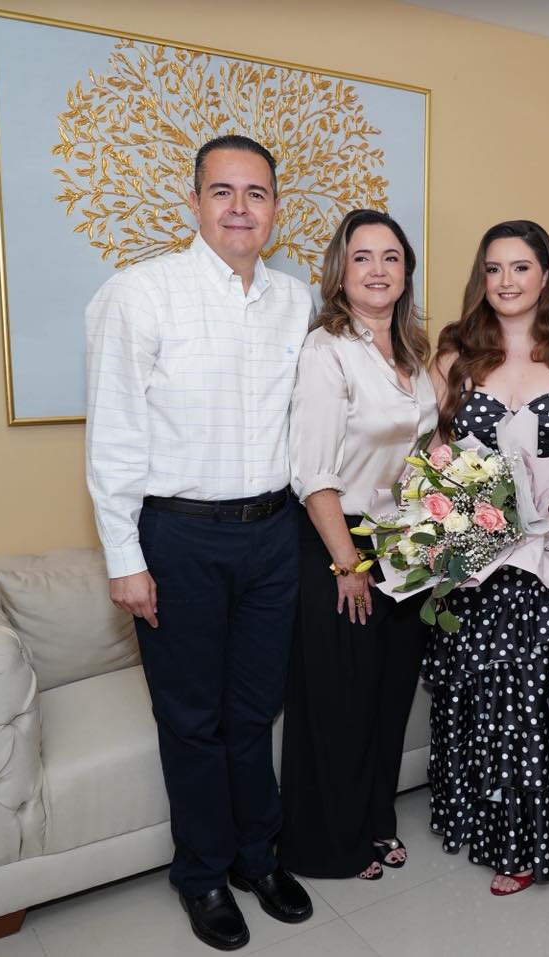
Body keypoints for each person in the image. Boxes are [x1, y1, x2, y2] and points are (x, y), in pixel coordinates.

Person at [84, 134, 315, 952]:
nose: (240, 208)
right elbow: (114, 434)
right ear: (194, 203)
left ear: (276, 208)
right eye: (223, 191)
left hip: (274, 535)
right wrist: (125, 557)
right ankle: (203, 874)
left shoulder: (296, 301)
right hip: (179, 536)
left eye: (256, 193)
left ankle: (258, 856)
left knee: (254, 711)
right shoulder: (140, 294)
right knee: (192, 719)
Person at [425, 219, 549, 896]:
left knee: (532, 705)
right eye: (493, 268)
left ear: (545, 276)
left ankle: (525, 842)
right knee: (478, 697)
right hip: (475, 560)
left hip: (548, 563)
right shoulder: (455, 356)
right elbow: (433, 450)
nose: (505, 281)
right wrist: (442, 510)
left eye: (520, 267)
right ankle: (474, 816)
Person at [279, 209, 436, 881]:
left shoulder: (414, 353)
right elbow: (313, 472)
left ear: (406, 272)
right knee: (339, 702)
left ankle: (376, 821)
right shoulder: (326, 350)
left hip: (405, 543)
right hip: (340, 541)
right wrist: (347, 563)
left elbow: (423, 450)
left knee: (388, 697)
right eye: (362, 257)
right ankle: (327, 844)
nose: (377, 270)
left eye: (391, 257)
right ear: (339, 272)